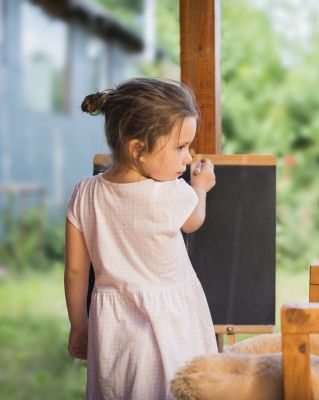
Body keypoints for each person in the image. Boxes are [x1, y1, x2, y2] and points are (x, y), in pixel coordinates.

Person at [64, 77, 218, 399]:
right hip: (170, 323)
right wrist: (200, 187)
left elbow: (76, 271)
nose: (188, 157)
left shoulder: (84, 193)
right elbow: (194, 222)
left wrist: (79, 325)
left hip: (113, 326)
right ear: (138, 150)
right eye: (180, 147)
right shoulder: (172, 193)